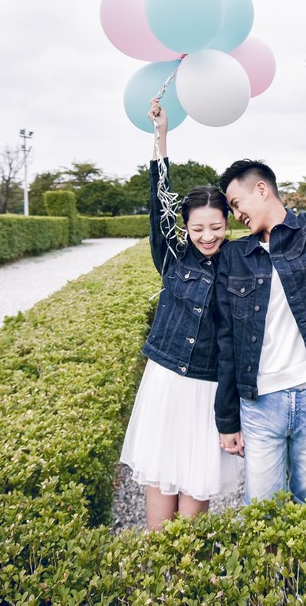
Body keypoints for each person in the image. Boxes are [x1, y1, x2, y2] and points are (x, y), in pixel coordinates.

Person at [213, 28, 306, 504]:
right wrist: (228, 419)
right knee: (262, 514)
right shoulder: (235, 256)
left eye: (237, 201)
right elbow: (226, 340)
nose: (235, 214)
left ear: (263, 189)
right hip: (260, 403)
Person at [119, 100, 240, 530]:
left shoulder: (240, 263)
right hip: (167, 379)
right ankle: (155, 571)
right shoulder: (172, 256)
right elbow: (158, 201)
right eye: (197, 228)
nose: (207, 236)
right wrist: (161, 137)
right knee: (161, 475)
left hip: (208, 388)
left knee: (196, 480)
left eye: (216, 227)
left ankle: (181, 570)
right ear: (185, 228)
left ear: (228, 223)